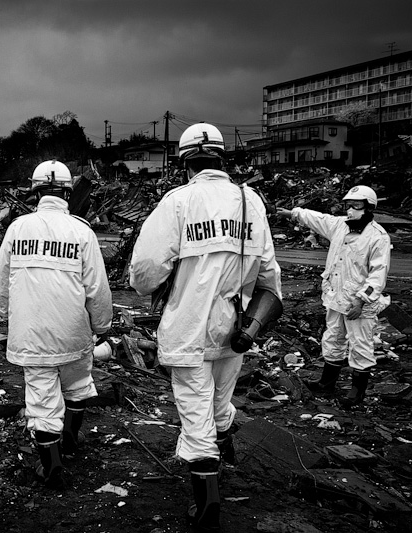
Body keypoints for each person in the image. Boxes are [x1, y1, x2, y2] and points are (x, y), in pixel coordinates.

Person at [129, 123, 281, 532]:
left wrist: (157, 284)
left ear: (185, 163)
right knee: (218, 402)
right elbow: (269, 276)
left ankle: (208, 503)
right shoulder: (251, 202)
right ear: (221, 157)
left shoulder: (179, 201)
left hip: (189, 325)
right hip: (236, 327)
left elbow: (144, 272)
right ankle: (223, 451)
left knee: (196, 410)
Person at [0, 159, 113, 488]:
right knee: (77, 385)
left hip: (31, 335)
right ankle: (72, 439)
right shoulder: (81, 231)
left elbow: (2, 280)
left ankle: (52, 467)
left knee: (42, 399)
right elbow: (97, 288)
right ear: (67, 193)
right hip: (74, 333)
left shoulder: (17, 229)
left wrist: (6, 313)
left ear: (35, 193)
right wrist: (102, 326)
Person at [277, 185, 390, 408]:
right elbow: (318, 219)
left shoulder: (378, 237)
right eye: (348, 206)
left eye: (356, 206)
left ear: (368, 208)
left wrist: (361, 300)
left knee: (360, 345)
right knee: (332, 339)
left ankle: (357, 393)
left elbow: (378, 274)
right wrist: (294, 214)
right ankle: (327, 383)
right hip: (336, 297)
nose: (350, 211)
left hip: (359, 304)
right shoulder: (340, 226)